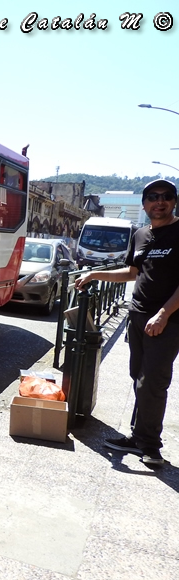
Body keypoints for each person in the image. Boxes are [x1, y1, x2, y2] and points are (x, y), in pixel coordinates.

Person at [75, 179, 179, 466]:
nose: (160, 201)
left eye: (167, 196)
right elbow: (132, 272)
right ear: (144, 203)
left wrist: (164, 314)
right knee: (138, 378)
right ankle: (138, 436)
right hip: (138, 316)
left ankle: (151, 446)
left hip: (166, 321)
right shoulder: (141, 234)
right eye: (154, 197)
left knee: (153, 383)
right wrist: (95, 275)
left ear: (174, 201)